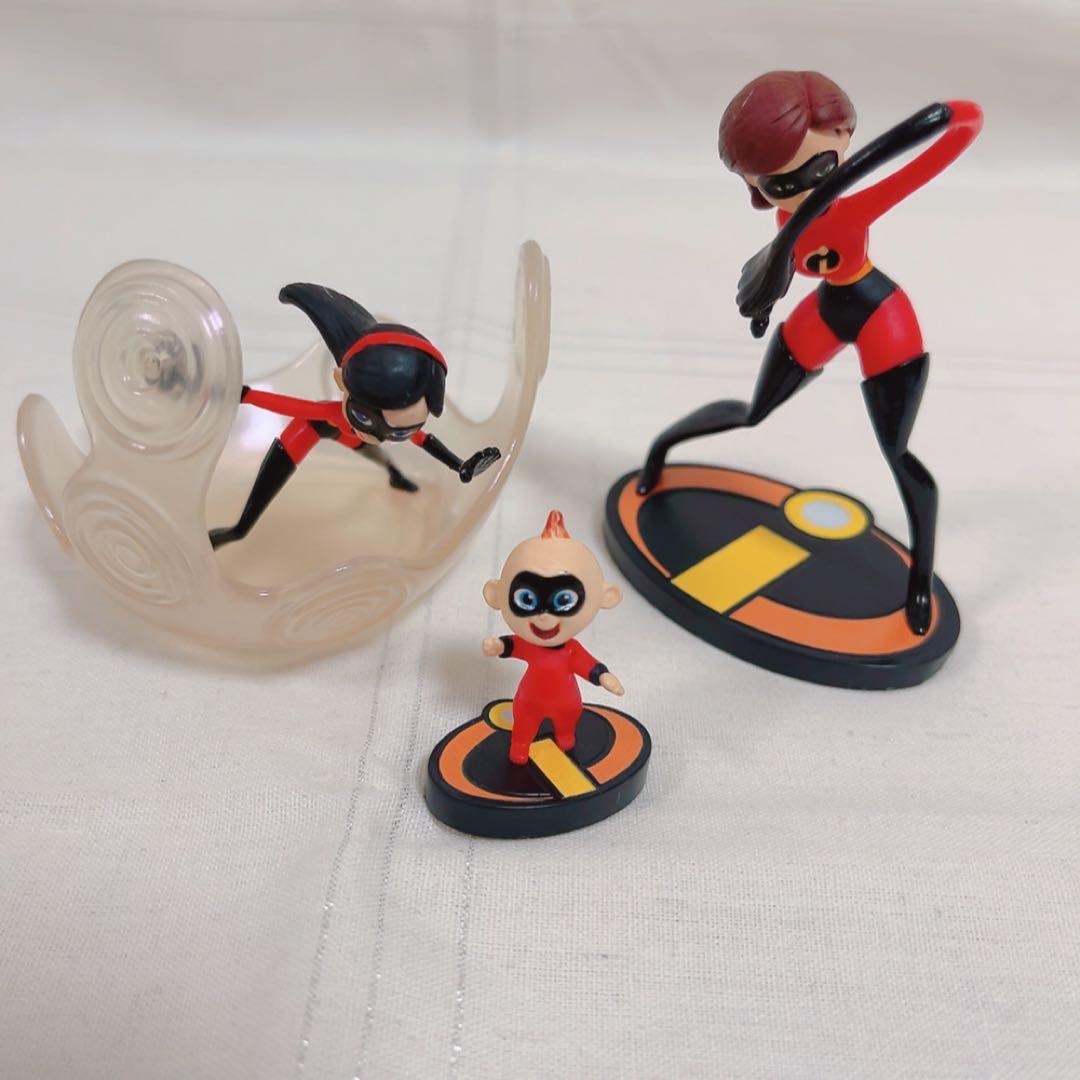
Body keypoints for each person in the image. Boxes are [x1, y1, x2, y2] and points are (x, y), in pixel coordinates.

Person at [638, 71, 982, 634]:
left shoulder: (862, 203)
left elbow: (964, 128)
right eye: (781, 183)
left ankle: (918, 579)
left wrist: (943, 116)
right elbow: (777, 270)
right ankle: (660, 449)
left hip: (882, 316)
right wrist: (765, 304)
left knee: (896, 452)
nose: (801, 188)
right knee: (755, 411)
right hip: (823, 313)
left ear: (844, 143)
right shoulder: (784, 224)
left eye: (819, 170)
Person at [209, 283, 500, 549]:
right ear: (340, 380)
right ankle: (237, 531)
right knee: (268, 486)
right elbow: (292, 407)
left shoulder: (375, 431)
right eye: (364, 417)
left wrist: (460, 466)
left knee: (377, 453)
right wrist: (247, 395)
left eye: (401, 431)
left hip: (346, 433)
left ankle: (395, 475)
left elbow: (425, 441)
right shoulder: (330, 413)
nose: (379, 434)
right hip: (312, 430)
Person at [482, 511, 625, 765]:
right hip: (529, 701)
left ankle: (566, 736)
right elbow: (513, 646)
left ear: (605, 598)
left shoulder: (570, 650)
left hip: (566, 703)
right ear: (496, 595)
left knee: (567, 728)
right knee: (523, 726)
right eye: (527, 599)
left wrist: (604, 676)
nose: (544, 616)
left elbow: (588, 665)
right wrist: (499, 646)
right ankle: (520, 745)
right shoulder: (531, 645)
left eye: (563, 600)